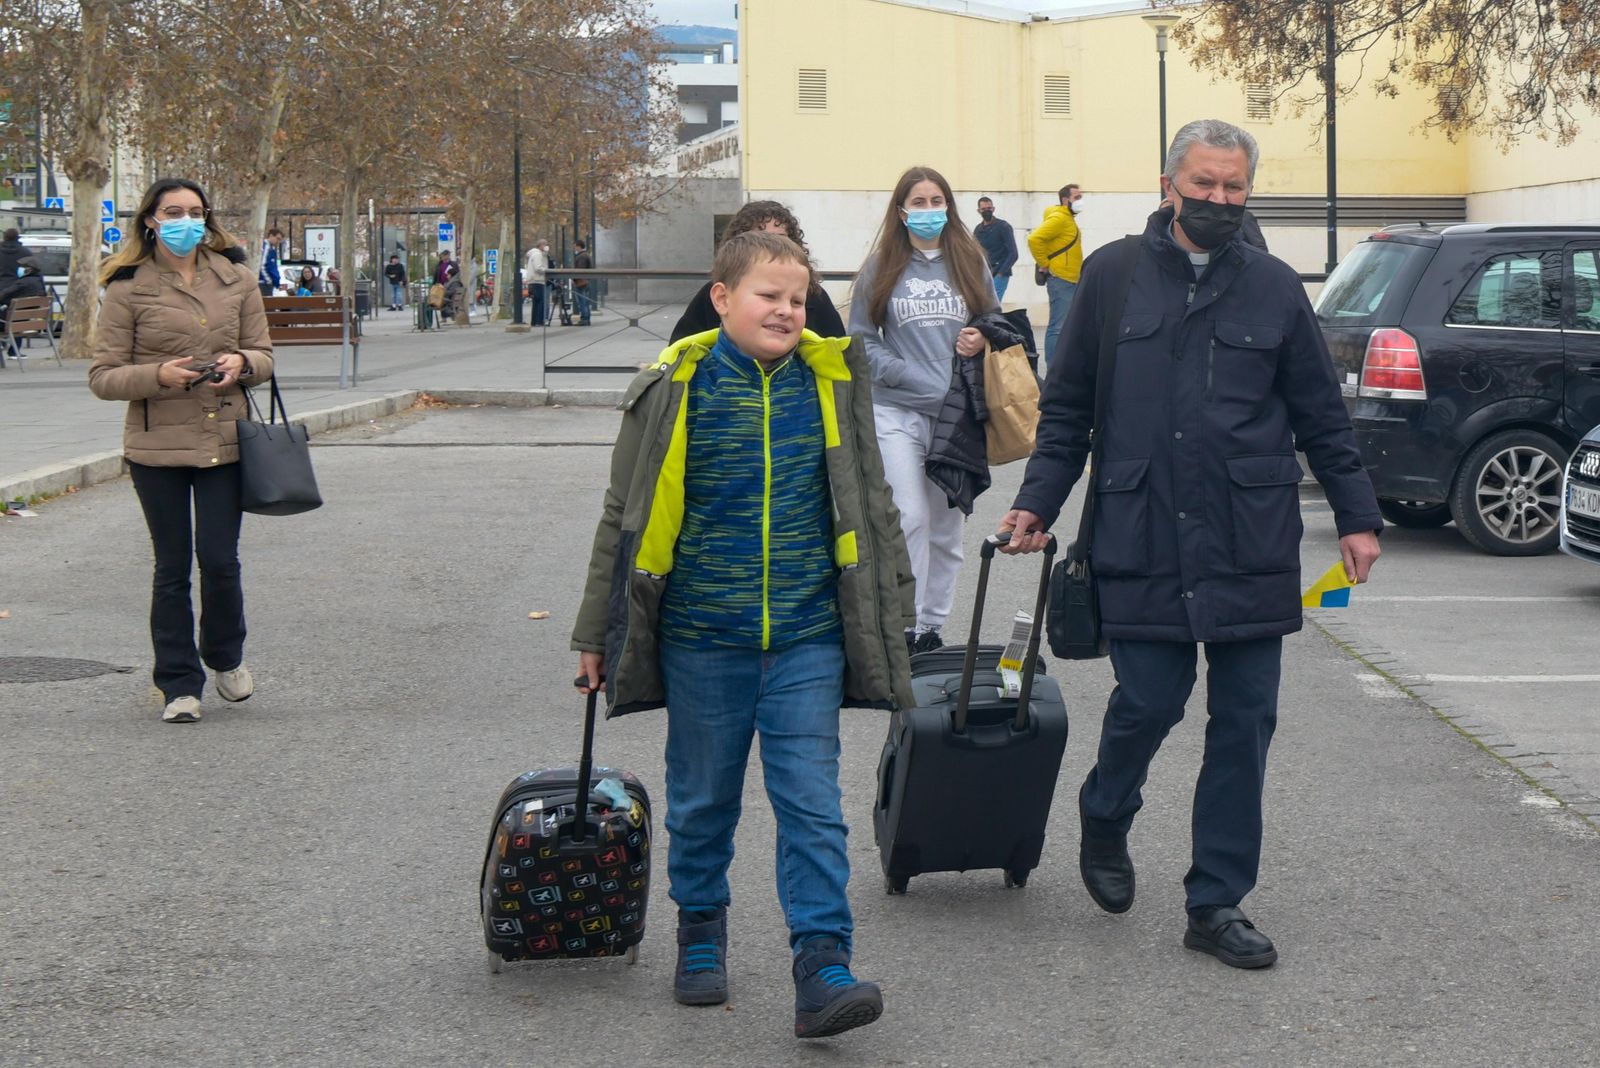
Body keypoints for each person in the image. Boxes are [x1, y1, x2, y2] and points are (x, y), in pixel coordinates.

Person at [996, 119, 1383, 969]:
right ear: (1169, 183)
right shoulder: (1111, 278)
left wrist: (1356, 516)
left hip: (1250, 536)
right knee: (1150, 701)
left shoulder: (1277, 288)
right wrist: (1036, 504)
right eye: (1203, 184)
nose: (1217, 201)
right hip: (1141, 530)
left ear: (1248, 192)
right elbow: (1066, 413)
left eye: (1233, 188)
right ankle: (1107, 804)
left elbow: (1321, 413)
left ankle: (1215, 901)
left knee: (1244, 722)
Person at [572, 230, 915, 1039]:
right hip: (702, 637)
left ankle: (822, 964)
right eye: (769, 295)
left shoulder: (828, 386)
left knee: (813, 807)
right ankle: (700, 932)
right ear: (723, 298)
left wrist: (895, 613)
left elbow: (871, 505)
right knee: (702, 801)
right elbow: (620, 520)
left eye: (798, 299)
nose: (788, 311)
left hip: (806, 636)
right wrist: (595, 631)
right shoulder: (672, 389)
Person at [86, 177, 275, 725]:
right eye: (173, 212)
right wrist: (158, 375)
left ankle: (225, 655)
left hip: (225, 441)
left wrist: (242, 363)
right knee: (171, 567)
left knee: (219, 561)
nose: (185, 221)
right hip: (156, 448)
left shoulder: (236, 277)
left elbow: (264, 356)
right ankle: (178, 685)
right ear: (151, 220)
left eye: (195, 211)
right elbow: (103, 376)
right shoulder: (127, 287)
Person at [848, 165, 998, 655]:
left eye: (938, 201)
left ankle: (932, 627)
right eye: (920, 202)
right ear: (901, 210)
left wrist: (983, 335)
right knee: (909, 516)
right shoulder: (881, 267)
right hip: (897, 411)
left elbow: (995, 325)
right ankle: (905, 624)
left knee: (946, 526)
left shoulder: (970, 261)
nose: (929, 210)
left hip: (955, 415)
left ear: (949, 207)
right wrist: (913, 377)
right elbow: (862, 344)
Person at [669, 201, 846, 343]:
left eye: (796, 302)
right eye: (768, 296)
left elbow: (839, 356)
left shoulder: (815, 296)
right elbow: (681, 350)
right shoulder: (713, 295)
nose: (785, 311)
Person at [1028, 183, 1084, 370]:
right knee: (1058, 326)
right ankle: (1053, 367)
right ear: (1065, 199)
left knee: (1065, 324)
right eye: (1077, 197)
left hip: (1069, 278)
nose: (1080, 201)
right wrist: (1043, 263)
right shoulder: (1060, 218)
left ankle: (1060, 363)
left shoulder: (1067, 219)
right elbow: (1034, 239)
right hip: (1061, 278)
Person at [973, 196, 1019, 302]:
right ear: (978, 211)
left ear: (993, 209)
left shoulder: (1003, 227)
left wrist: (1001, 273)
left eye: (989, 208)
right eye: (983, 209)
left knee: (994, 305)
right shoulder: (978, 230)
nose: (987, 211)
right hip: (984, 274)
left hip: (1000, 273)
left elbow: (1013, 253)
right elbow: (976, 253)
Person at [523, 239, 549, 325]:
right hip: (537, 280)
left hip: (532, 281)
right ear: (541, 245)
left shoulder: (532, 255)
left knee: (536, 302)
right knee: (540, 301)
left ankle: (534, 321)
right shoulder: (538, 255)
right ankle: (539, 321)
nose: (547, 247)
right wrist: (546, 270)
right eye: (545, 245)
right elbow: (538, 267)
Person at [572, 238, 593, 325]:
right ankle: (586, 318)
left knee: (582, 301)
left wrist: (575, 279)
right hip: (586, 281)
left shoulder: (581, 256)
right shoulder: (586, 255)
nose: (574, 249)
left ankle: (584, 319)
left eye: (575, 247)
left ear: (579, 246)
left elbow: (580, 270)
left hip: (581, 282)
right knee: (585, 301)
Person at [258, 227, 283, 296]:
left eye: (280, 240)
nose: (278, 241)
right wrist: (268, 281)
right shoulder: (266, 248)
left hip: (266, 283)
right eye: (277, 238)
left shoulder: (270, 248)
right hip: (264, 284)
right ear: (271, 236)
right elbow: (262, 265)